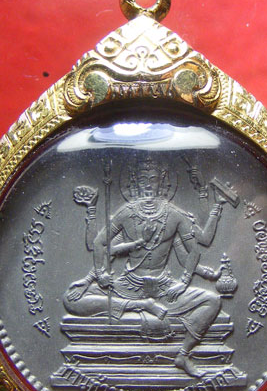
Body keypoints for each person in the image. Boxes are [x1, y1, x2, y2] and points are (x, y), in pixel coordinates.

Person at [64, 156, 224, 378]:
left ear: (162, 182)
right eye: (142, 180)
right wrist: (99, 274)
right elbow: (99, 243)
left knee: (214, 300)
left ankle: (183, 354)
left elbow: (195, 249)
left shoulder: (174, 214)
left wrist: (184, 282)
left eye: (153, 179)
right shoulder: (126, 213)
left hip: (165, 289)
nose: (148, 185)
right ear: (135, 184)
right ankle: (141, 305)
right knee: (70, 299)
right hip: (128, 286)